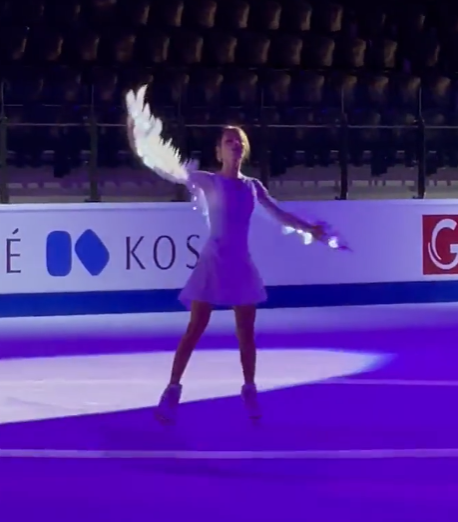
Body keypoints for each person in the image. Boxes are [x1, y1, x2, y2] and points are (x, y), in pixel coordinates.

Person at [125, 86, 327, 422]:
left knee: (246, 333)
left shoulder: (252, 187)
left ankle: (249, 389)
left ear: (244, 149)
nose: (234, 144)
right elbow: (167, 167)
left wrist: (310, 228)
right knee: (195, 328)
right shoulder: (207, 181)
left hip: (240, 264)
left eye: (238, 141)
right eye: (228, 141)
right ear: (218, 151)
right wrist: (140, 140)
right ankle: (172, 390)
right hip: (213, 261)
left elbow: (280, 214)